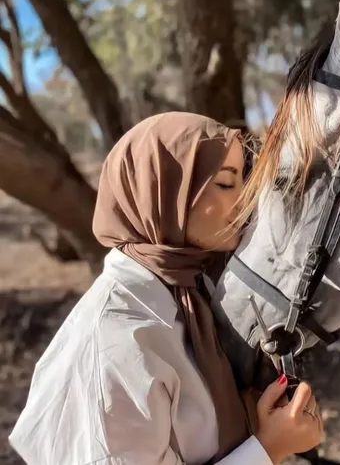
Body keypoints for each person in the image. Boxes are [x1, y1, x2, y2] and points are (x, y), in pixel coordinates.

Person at [8, 112, 323, 465]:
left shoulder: (188, 293)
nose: (244, 200)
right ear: (166, 192)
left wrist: (256, 414)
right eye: (225, 183)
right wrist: (269, 449)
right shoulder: (116, 338)